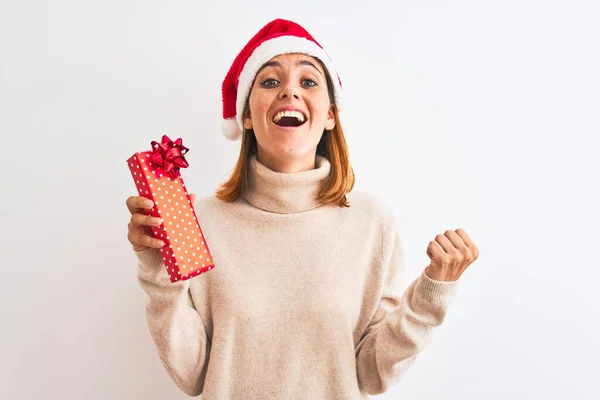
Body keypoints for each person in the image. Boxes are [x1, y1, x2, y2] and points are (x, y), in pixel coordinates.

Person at [125, 18, 479, 399]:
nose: (289, 92)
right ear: (246, 115)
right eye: (270, 81)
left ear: (330, 115)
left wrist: (432, 292)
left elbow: (372, 373)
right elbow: (192, 374)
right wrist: (158, 269)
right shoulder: (200, 222)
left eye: (308, 81)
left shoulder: (372, 222)